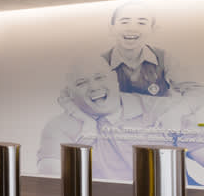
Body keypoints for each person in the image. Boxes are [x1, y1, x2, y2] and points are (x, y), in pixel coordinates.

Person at [38, 56, 204, 182]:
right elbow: (51, 184)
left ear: (114, 78)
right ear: (70, 93)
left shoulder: (163, 110)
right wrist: (86, 130)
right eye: (81, 83)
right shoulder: (59, 127)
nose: (94, 87)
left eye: (99, 77)